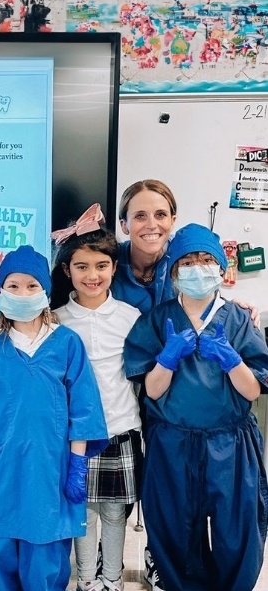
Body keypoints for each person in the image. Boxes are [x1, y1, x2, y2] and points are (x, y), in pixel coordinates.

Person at [123, 223, 268, 591]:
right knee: (174, 528)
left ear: (221, 268)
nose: (198, 267)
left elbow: (252, 391)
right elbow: (152, 391)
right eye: (188, 261)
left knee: (236, 530)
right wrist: (167, 360)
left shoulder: (238, 319)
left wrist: (233, 361)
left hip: (230, 444)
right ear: (173, 271)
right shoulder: (158, 320)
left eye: (206, 260)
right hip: (172, 443)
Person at [0, 245, 108, 591]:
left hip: (51, 468)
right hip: (4, 466)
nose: (23, 293)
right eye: (13, 286)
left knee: (44, 551)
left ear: (45, 291)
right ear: (0, 290)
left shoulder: (67, 344)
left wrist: (76, 464)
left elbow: (84, 408)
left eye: (32, 286)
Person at [51, 206, 143, 591]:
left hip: (120, 429)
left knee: (115, 513)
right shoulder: (55, 319)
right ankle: (87, 580)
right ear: (67, 270)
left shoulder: (130, 316)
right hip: (75, 437)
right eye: (82, 266)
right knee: (81, 512)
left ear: (113, 268)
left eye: (101, 265)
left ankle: (113, 578)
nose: (92, 275)